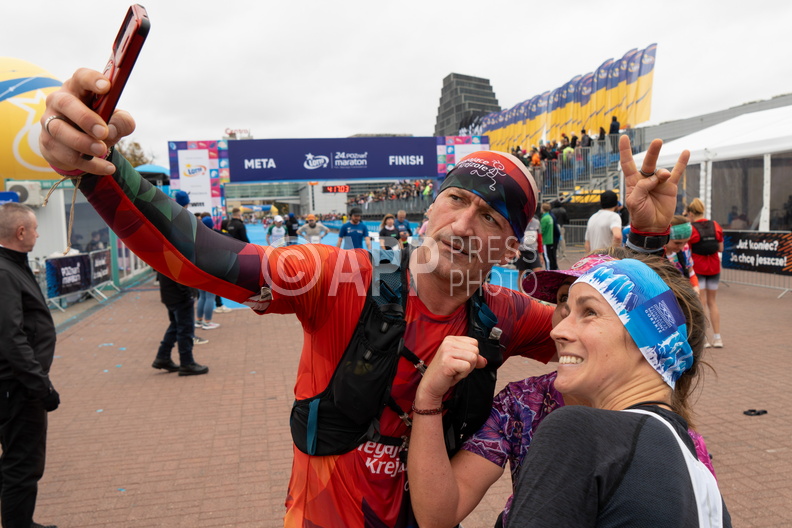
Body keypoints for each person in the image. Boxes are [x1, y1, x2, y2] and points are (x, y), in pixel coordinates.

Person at [39, 66, 686, 527]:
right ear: (429, 210)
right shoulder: (339, 278)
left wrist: (650, 242)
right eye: (456, 200)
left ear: (510, 246)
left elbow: (645, 347)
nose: (464, 224)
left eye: (490, 217)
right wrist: (96, 168)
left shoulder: (506, 315)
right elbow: (205, 258)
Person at [408, 252, 722, 528]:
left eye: (589, 310)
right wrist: (428, 398)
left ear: (645, 338)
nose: (558, 329)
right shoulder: (524, 402)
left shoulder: (572, 429)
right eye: (562, 301)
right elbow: (439, 514)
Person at [0, 203, 60, 528]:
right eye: (35, 228)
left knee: (20, 462)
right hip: (18, 387)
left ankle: (23, 521)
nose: (38, 234)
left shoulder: (13, 266)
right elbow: (11, 337)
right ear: (21, 232)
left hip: (20, 383)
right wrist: (41, 386)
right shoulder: (5, 272)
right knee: (23, 465)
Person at [153, 271, 210, 375]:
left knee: (175, 326)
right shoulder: (174, 260)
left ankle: (163, 357)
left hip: (170, 294)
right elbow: (180, 274)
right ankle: (187, 363)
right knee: (185, 329)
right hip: (179, 296)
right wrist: (188, 294)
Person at [686, 198, 725, 348]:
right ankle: (718, 337)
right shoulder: (715, 225)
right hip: (714, 267)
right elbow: (720, 248)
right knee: (712, 302)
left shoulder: (691, 228)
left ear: (691, 213)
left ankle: (704, 339)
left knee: (700, 303)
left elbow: (687, 251)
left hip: (698, 268)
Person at [665, 214, 700, 295]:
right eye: (677, 243)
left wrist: (695, 287)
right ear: (665, 238)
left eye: (686, 242)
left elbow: (691, 273)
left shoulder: (685, 249)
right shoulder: (656, 255)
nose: (681, 247)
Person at [514, 209, 544, 276]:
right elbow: (515, 236)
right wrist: (516, 249)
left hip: (533, 251)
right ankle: (521, 283)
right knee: (521, 274)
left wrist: (540, 253)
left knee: (537, 273)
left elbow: (539, 238)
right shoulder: (519, 222)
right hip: (522, 251)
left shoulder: (536, 222)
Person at [539, 203, 557, 270]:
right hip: (550, 239)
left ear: (543, 209)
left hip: (545, 240)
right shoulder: (550, 217)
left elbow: (542, 230)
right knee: (550, 256)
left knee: (546, 257)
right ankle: (550, 269)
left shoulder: (544, 218)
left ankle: (548, 270)